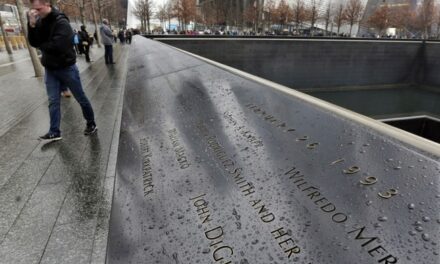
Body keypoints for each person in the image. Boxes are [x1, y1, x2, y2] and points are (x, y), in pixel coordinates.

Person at [27, 0, 97, 141]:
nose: (36, 12)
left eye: (38, 9)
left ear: (47, 4)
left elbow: (59, 46)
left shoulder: (61, 22)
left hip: (67, 68)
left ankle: (91, 123)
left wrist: (42, 45)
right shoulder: (39, 21)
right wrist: (32, 25)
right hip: (50, 69)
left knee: (80, 97)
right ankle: (54, 131)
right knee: (53, 101)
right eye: (33, 10)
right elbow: (33, 42)